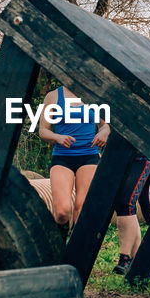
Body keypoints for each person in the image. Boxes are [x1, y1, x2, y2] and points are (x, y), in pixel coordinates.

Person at [38, 86, 109, 232]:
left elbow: (105, 126)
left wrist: (104, 132)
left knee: (81, 208)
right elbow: (43, 130)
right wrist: (57, 137)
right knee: (62, 212)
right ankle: (59, 246)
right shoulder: (53, 96)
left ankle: (74, 252)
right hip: (63, 157)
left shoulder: (94, 95)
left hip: (89, 156)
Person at [111, 153, 150, 275]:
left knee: (126, 203)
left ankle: (125, 258)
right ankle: (135, 259)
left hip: (141, 157)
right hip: (119, 157)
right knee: (123, 205)